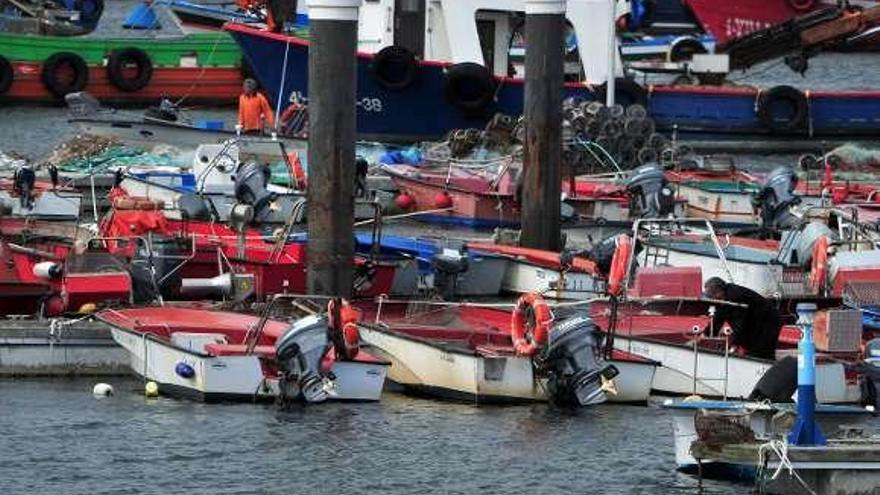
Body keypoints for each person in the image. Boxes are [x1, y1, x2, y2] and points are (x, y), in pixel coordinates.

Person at [703, 277, 781, 360]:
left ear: (718, 291)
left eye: (712, 295)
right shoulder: (724, 298)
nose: (712, 299)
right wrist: (706, 334)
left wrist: (735, 342)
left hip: (767, 319)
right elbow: (719, 316)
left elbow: (740, 323)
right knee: (752, 346)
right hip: (755, 319)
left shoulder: (735, 297)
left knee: (760, 350)